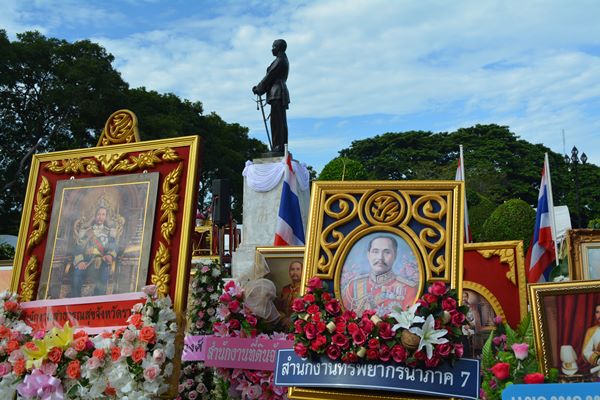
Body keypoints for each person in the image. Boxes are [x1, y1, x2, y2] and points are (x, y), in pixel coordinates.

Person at [342, 235, 418, 316]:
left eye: (387, 252)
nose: (380, 257)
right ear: (368, 255)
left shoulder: (409, 289)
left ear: (395, 255)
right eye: (375, 251)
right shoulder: (354, 286)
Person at [252, 39, 290, 153]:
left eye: (273, 47)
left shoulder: (280, 60)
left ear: (278, 48)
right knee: (280, 121)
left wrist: (259, 89)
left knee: (277, 122)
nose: (272, 49)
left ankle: (278, 147)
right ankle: (281, 146)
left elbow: (270, 76)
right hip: (280, 92)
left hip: (277, 92)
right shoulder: (284, 59)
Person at [71, 206, 117, 297]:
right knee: (76, 274)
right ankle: (76, 301)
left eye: (103, 214)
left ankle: (98, 301)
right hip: (86, 262)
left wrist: (109, 255)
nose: (101, 217)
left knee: (104, 276)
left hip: (102, 262)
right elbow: (78, 248)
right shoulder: (86, 232)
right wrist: (80, 262)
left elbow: (113, 247)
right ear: (95, 216)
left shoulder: (109, 232)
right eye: (99, 214)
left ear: (105, 216)